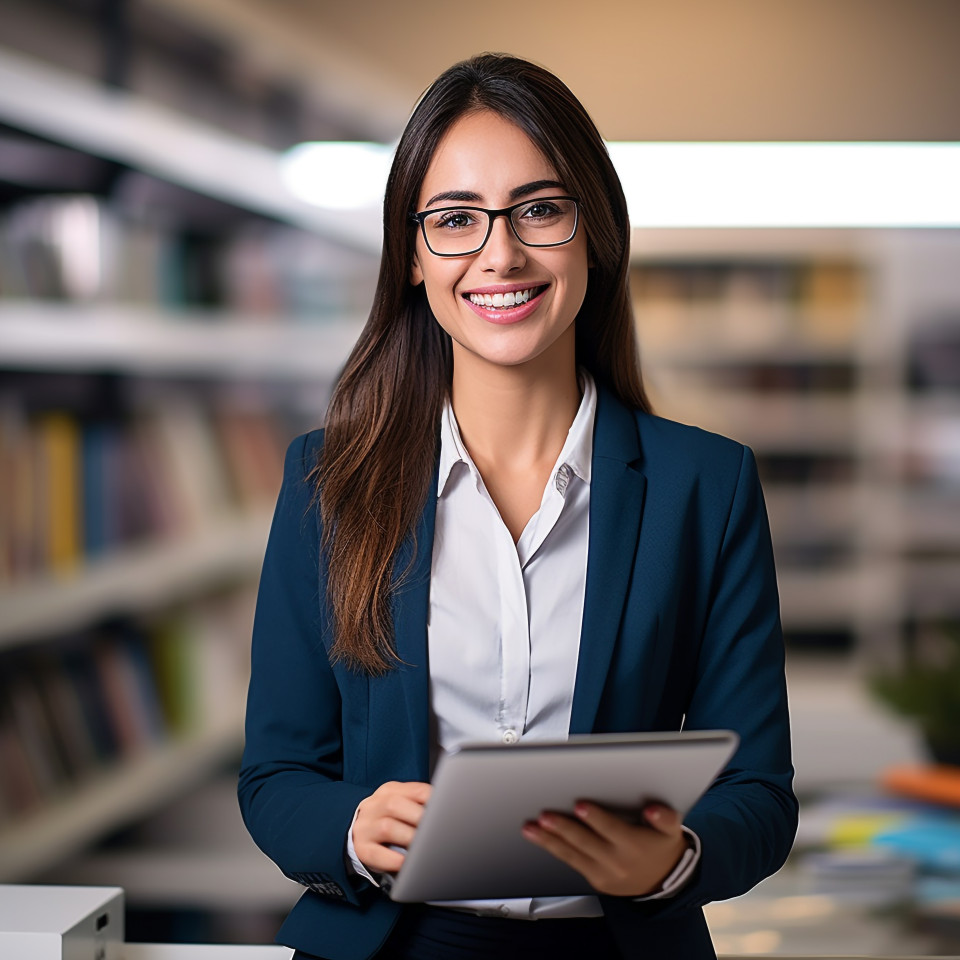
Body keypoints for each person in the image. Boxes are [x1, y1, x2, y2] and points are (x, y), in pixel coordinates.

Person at [238, 53, 797, 960]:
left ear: (595, 233)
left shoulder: (707, 485)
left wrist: (674, 856)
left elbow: (759, 793)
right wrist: (353, 828)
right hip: (394, 944)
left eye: (538, 209)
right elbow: (277, 776)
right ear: (411, 257)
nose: (500, 254)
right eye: (456, 219)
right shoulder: (328, 481)